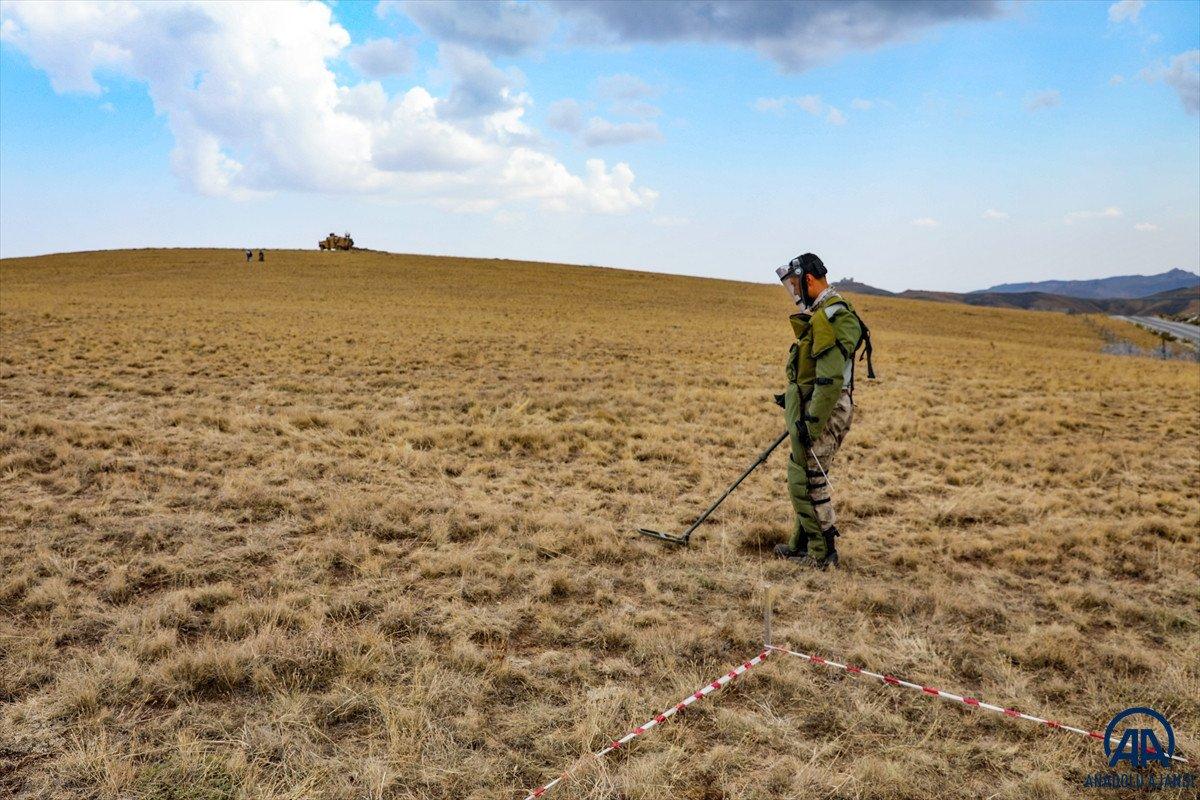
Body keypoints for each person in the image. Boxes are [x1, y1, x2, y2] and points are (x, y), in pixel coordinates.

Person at [772, 253, 872, 569]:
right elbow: (814, 371)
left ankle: (822, 553)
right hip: (816, 407)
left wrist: (811, 422)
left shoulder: (834, 315)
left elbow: (829, 380)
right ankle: (802, 544)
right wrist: (792, 399)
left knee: (810, 479)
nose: (795, 292)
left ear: (810, 280)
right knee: (802, 475)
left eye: (795, 285)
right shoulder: (823, 313)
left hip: (826, 411)